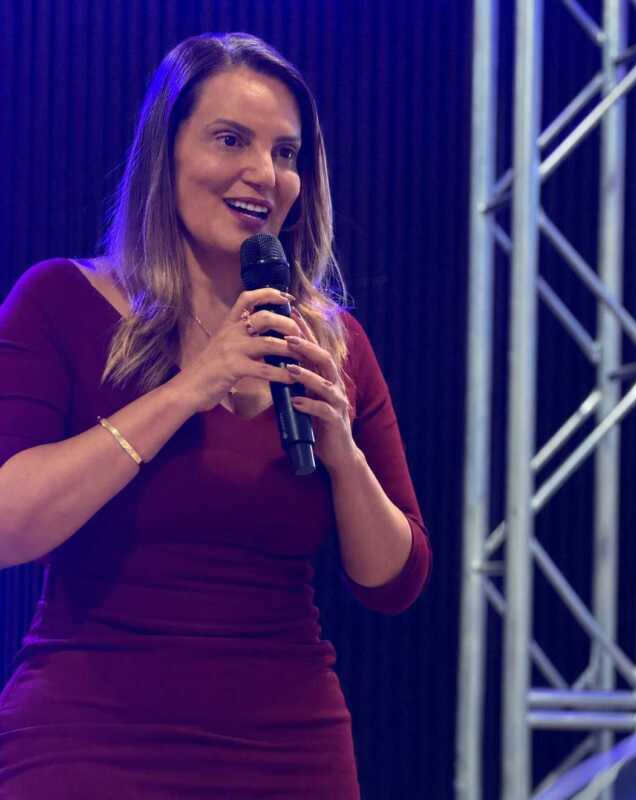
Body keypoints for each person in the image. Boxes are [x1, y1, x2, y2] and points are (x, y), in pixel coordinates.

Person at [0, 32, 431, 798]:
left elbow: (393, 583)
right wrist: (188, 389)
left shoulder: (332, 343)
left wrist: (343, 453)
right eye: (231, 140)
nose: (263, 173)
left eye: (286, 153)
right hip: (88, 735)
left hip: (289, 745)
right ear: (165, 153)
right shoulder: (58, 303)